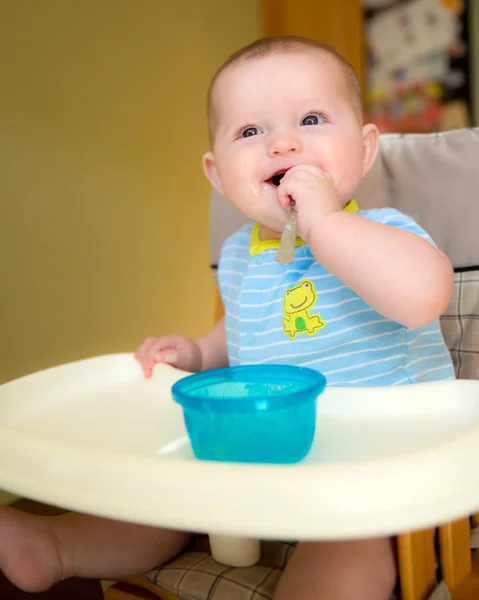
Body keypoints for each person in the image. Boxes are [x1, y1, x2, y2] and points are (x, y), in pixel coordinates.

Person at [0, 36, 454, 600]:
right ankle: (56, 549)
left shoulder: (383, 232)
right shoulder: (242, 252)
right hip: (260, 450)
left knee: (350, 549)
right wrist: (196, 353)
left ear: (364, 151)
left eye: (311, 119)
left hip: (374, 464)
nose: (283, 144)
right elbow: (243, 331)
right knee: (162, 496)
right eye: (250, 131)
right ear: (218, 174)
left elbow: (423, 296)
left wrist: (325, 224)